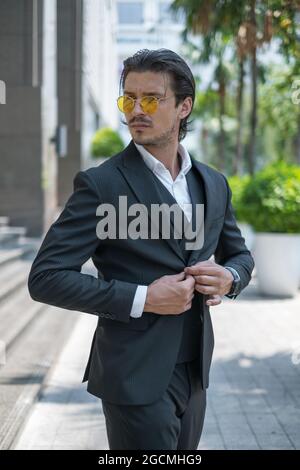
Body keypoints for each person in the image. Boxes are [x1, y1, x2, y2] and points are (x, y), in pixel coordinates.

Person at [28, 49, 254, 450]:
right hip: (132, 373)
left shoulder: (213, 183)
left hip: (195, 369)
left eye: (151, 98)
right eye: (128, 99)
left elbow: (239, 255)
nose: (137, 109)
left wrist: (230, 278)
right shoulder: (102, 184)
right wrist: (144, 298)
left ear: (184, 106)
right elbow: (46, 278)